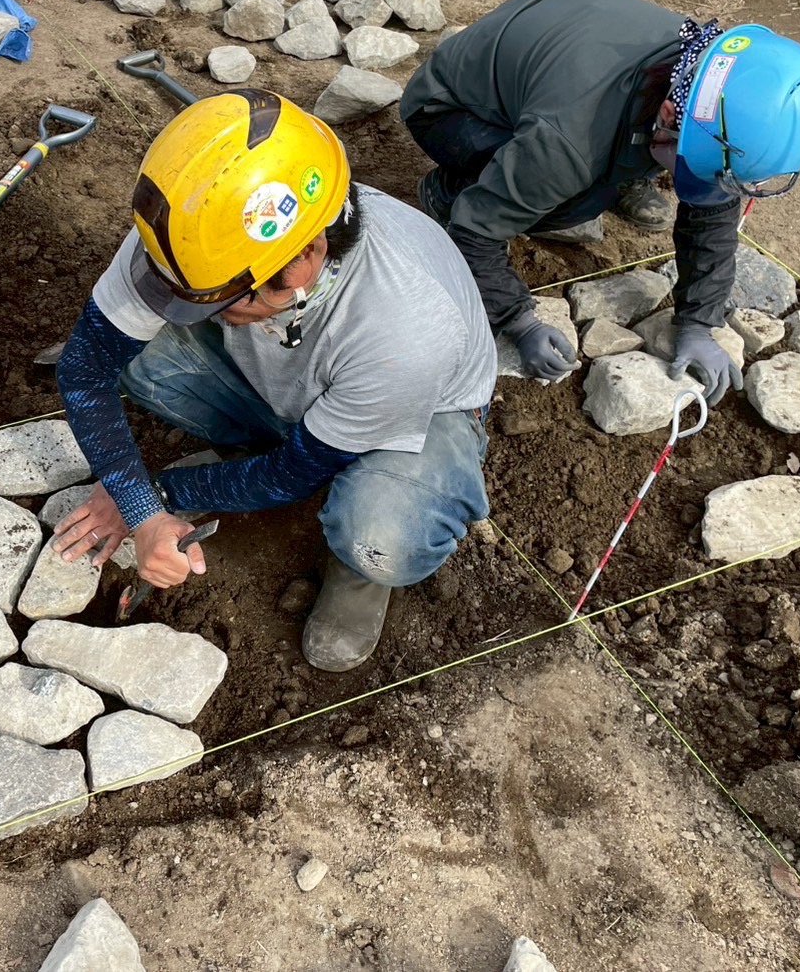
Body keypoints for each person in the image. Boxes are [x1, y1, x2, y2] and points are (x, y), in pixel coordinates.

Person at [50, 90, 496, 673]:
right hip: (301, 374)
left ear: (305, 260)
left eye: (218, 302)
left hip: (414, 412)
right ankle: (257, 446)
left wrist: (155, 495)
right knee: (135, 358)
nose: (200, 312)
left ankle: (358, 567)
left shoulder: (405, 329)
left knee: (382, 535)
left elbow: (293, 474)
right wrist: (139, 505)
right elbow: (86, 370)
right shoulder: (201, 226)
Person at [400, 0, 800, 401]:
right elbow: (475, 236)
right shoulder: (570, 142)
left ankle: (632, 167)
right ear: (668, 116)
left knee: (615, 168)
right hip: (447, 107)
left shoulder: (711, 77)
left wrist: (699, 323)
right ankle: (448, 193)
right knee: (579, 201)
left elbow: (713, 211)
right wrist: (519, 320)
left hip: (553, 59)